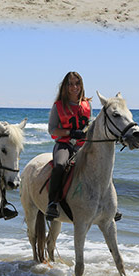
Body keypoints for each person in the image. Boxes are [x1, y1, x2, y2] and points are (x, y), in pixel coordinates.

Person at [46, 70, 91, 220]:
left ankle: (107, 203)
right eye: (70, 84)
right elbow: (52, 129)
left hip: (82, 145)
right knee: (59, 165)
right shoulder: (58, 106)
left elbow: (88, 125)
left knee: (100, 163)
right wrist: (70, 133)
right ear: (65, 86)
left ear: (81, 85)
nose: (74, 87)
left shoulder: (87, 105)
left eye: (77, 83)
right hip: (64, 145)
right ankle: (52, 202)